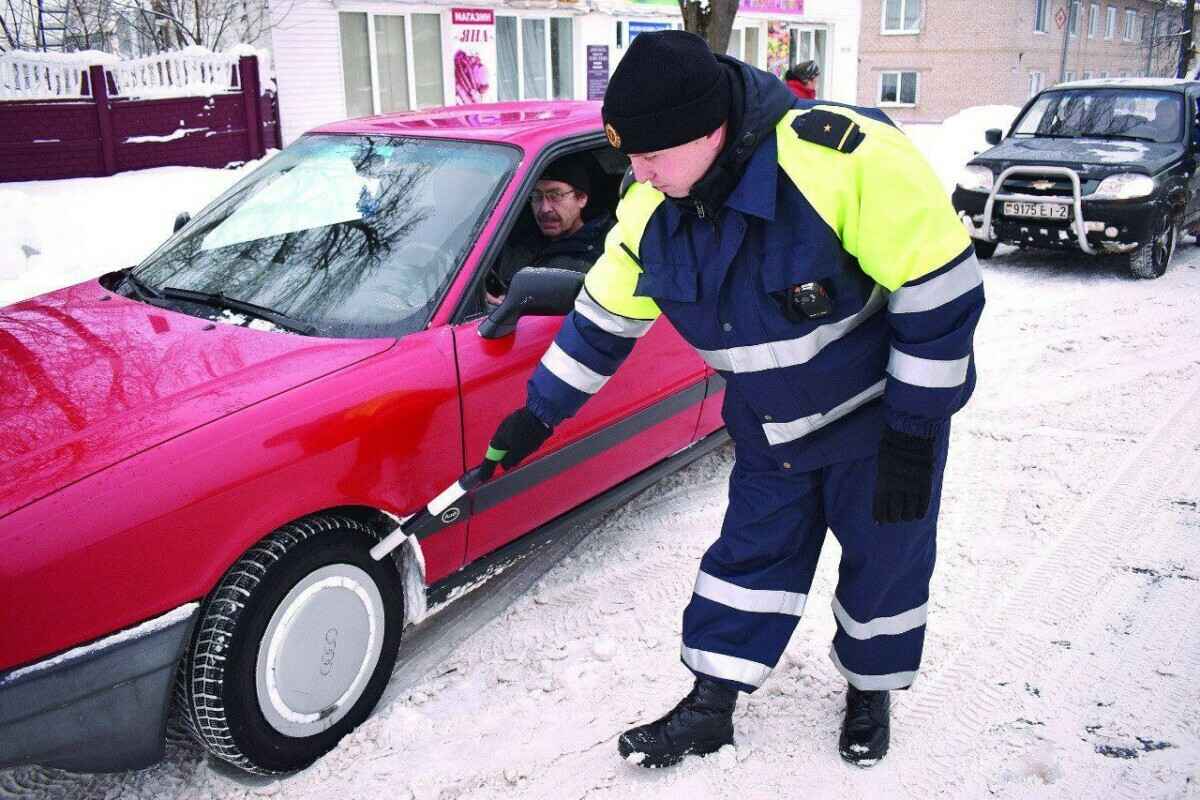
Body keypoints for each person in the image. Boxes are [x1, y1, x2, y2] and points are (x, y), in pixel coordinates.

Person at [485, 30, 985, 769]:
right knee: (747, 561)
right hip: (770, 430)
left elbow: (940, 295)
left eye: (651, 156)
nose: (639, 173)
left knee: (886, 567)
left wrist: (913, 432)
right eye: (632, 157)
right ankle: (711, 705)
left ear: (711, 131)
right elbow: (606, 315)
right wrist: (540, 411)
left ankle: (868, 688)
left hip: (878, 426)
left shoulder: (840, 163)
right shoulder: (652, 207)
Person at [485, 155, 613, 304]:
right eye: (537, 196)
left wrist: (510, 306)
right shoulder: (510, 235)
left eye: (555, 195)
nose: (545, 208)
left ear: (581, 198)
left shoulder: (604, 253)